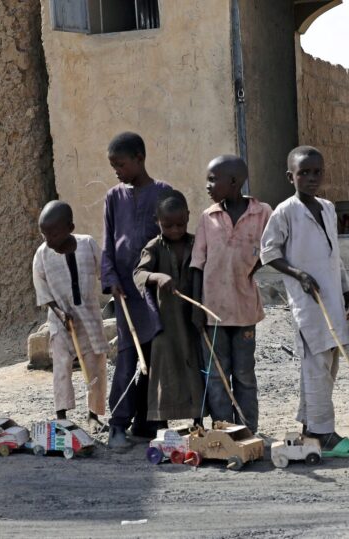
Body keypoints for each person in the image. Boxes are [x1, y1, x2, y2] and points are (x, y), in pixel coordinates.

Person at [260, 146, 349, 457]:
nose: (311, 178)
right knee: (315, 360)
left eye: (317, 172)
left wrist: (346, 289)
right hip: (308, 301)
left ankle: (310, 425)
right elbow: (268, 253)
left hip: (331, 296)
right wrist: (298, 275)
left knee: (329, 361)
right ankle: (324, 433)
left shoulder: (328, 208)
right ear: (290, 176)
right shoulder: (285, 212)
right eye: (304, 173)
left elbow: (334, 255)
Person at [101, 132, 173, 449]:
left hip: (153, 293)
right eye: (113, 165)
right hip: (126, 294)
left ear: (140, 159)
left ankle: (151, 422)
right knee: (128, 357)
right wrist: (110, 278)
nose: (117, 171)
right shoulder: (113, 197)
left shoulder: (163, 194)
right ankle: (117, 423)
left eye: (121, 164)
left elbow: (170, 243)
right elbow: (107, 243)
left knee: (156, 357)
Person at [190, 155, 272, 432]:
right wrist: (197, 308)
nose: (208, 185)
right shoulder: (208, 217)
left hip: (245, 311)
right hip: (212, 312)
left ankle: (248, 429)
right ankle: (224, 429)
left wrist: (255, 265)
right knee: (217, 375)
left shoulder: (262, 214)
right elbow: (197, 265)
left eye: (213, 179)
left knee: (245, 374)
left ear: (234, 182)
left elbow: (274, 248)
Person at [33, 200, 108, 431]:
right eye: (44, 234)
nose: (48, 240)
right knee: (61, 366)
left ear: (70, 228)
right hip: (60, 321)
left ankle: (93, 415)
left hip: (90, 318)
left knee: (95, 364)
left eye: (53, 234)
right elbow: (43, 292)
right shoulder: (42, 254)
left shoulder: (87, 244)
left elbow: (103, 271)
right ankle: (62, 416)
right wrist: (59, 313)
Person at [133, 191, 205, 426]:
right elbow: (139, 274)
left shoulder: (197, 243)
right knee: (165, 370)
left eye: (180, 224)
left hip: (192, 318)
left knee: (194, 366)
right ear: (157, 222)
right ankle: (161, 424)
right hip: (166, 321)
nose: (175, 230)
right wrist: (157, 276)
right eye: (168, 225)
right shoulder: (154, 247)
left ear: (188, 217)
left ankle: (198, 419)